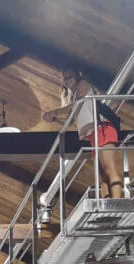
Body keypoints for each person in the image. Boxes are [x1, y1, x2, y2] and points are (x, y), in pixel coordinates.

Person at [42, 67, 123, 200]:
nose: (67, 80)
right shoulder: (74, 97)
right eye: (64, 78)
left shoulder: (83, 84)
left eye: (69, 76)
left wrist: (54, 112)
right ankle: (106, 201)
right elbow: (70, 121)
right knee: (102, 174)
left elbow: (75, 106)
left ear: (77, 76)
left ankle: (116, 201)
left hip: (102, 128)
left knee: (109, 168)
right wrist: (55, 119)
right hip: (93, 134)